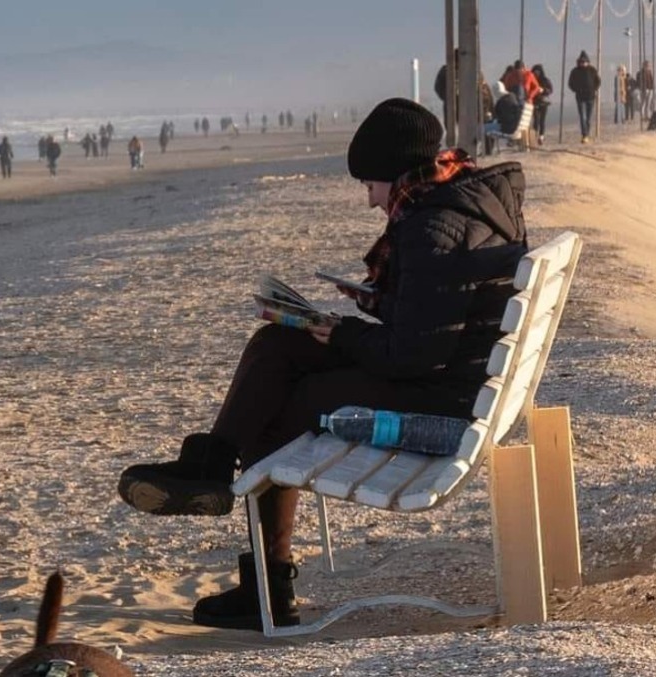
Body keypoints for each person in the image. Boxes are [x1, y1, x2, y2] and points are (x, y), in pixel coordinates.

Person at [117, 97, 529, 631]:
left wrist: (344, 332)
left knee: (284, 404)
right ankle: (211, 468)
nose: (369, 199)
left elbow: (413, 356)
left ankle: (267, 587)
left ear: (395, 172)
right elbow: (439, 318)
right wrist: (373, 304)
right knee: (276, 343)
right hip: (466, 380)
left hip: (442, 400)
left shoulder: (431, 228)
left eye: (370, 184)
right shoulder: (469, 203)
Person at [567, 50, 601, 143]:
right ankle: (584, 135)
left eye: (584, 61)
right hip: (580, 97)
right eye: (581, 62)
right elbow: (570, 83)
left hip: (591, 97)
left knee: (588, 118)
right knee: (583, 117)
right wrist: (576, 89)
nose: (583, 63)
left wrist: (594, 89)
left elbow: (598, 81)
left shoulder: (592, 70)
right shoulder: (575, 71)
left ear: (588, 61)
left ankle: (587, 134)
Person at [484, 81, 522, 153]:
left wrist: (492, 117)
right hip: (513, 126)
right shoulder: (512, 97)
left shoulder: (503, 101)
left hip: (507, 128)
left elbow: (500, 116)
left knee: (483, 128)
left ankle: (487, 151)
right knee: (488, 126)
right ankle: (488, 150)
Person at [530, 64, 552, 144]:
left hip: (543, 102)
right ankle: (535, 135)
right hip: (534, 102)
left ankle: (541, 136)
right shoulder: (531, 79)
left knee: (542, 121)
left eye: (538, 72)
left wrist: (543, 90)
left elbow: (550, 90)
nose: (536, 73)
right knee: (536, 120)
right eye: (535, 72)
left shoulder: (545, 80)